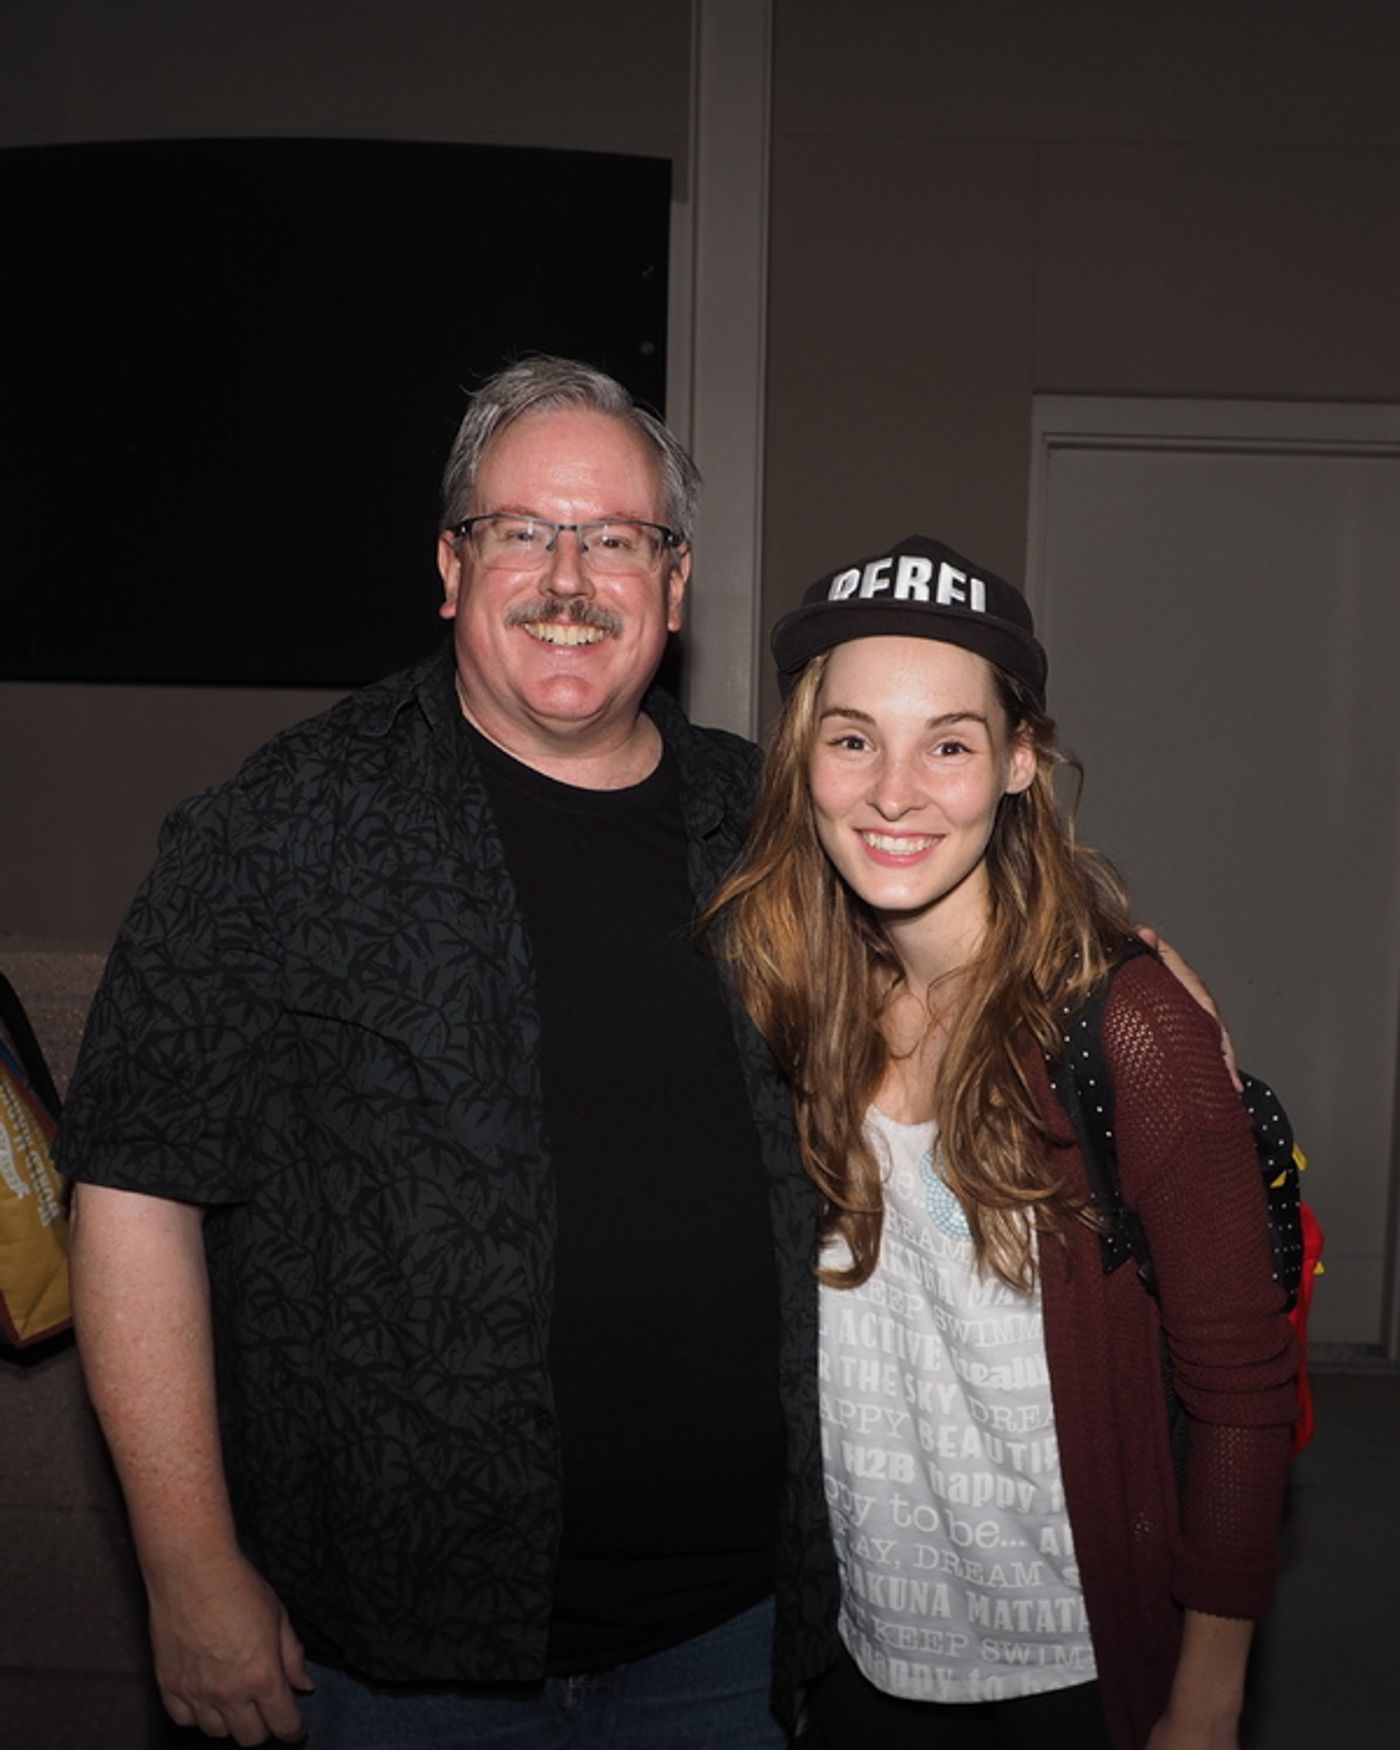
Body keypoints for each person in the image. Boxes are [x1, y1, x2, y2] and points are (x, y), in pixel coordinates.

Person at [58, 357, 841, 1749]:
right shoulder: (279, 827)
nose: (568, 578)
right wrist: (186, 1566)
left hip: (734, 1634)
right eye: (521, 530)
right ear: (450, 565)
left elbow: (965, 962)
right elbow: (130, 1190)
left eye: (616, 538)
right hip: (395, 1663)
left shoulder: (772, 826)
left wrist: (1125, 977)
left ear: (673, 584)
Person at [702, 535, 1298, 1750]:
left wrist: (1204, 1702)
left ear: (1019, 760)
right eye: (852, 738)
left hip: (1071, 1670)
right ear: (803, 756)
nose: (893, 792)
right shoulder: (792, 997)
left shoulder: (1124, 1030)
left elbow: (1241, 1392)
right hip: (855, 1656)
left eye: (949, 744)